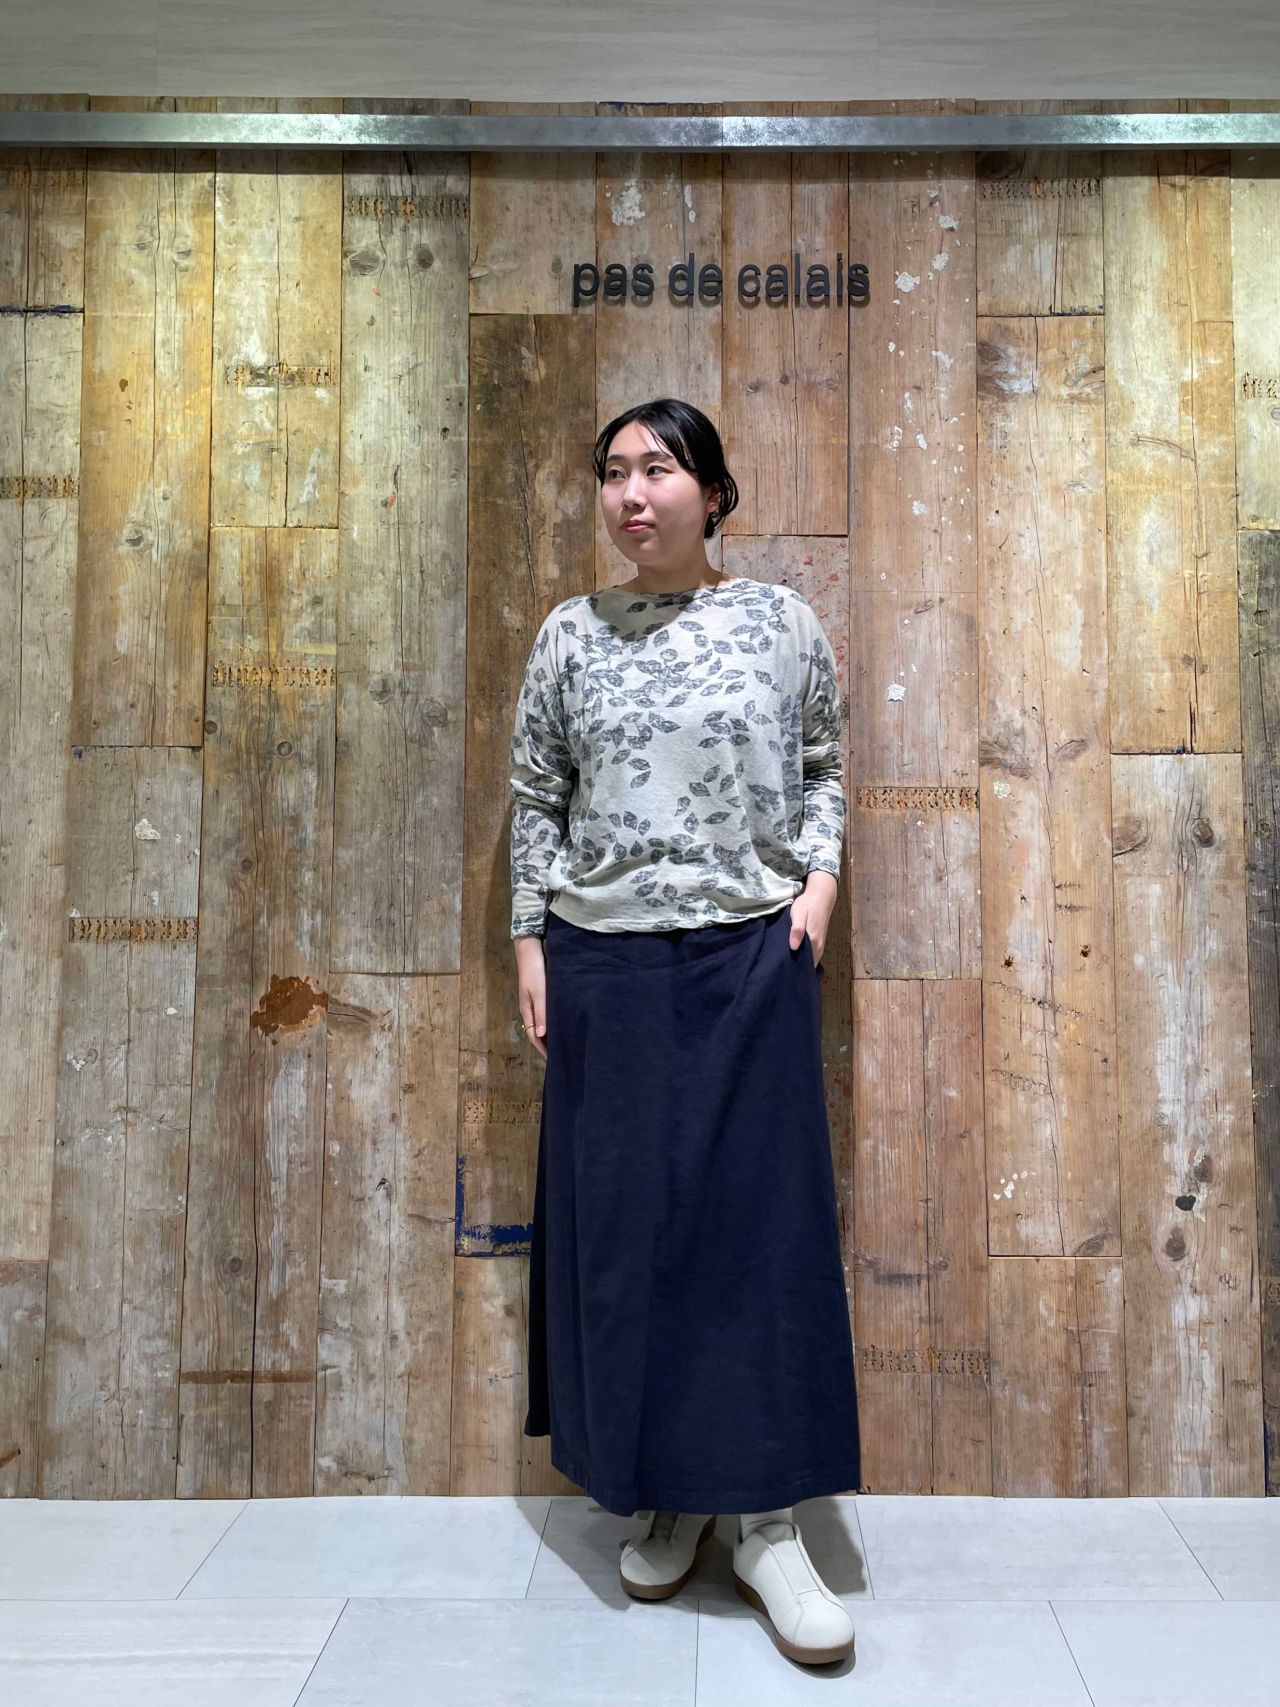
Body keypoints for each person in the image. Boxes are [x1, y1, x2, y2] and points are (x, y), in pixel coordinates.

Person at [509, 397, 860, 1667]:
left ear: (711, 493)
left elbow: (822, 763)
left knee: (755, 1234)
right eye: (612, 471)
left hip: (748, 952)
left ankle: (765, 1522)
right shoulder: (569, 633)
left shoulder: (777, 622)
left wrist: (816, 891)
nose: (630, 493)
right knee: (627, 1235)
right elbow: (536, 792)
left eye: (657, 468)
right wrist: (529, 940)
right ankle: (664, 1493)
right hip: (602, 961)